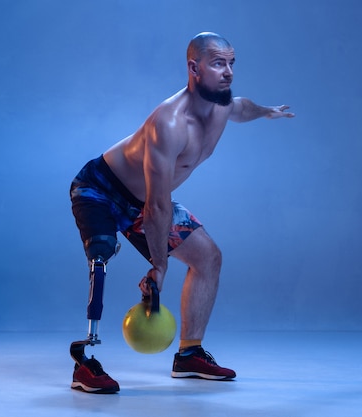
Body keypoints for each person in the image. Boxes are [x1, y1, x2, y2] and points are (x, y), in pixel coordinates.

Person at [69, 32, 294, 394]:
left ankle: (189, 355)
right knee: (102, 253)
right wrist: (160, 266)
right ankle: (85, 361)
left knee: (209, 258)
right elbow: (157, 206)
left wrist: (265, 111)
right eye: (219, 63)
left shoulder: (222, 106)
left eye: (232, 63)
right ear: (194, 68)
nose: (229, 72)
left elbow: (242, 107)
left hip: (144, 199)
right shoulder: (169, 123)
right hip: (101, 190)